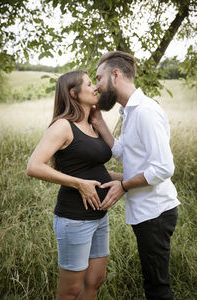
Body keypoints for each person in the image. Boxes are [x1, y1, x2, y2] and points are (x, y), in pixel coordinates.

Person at [90, 51, 181, 300]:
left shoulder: (145, 112)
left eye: (99, 78)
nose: (96, 86)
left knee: (157, 288)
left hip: (155, 213)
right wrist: (99, 123)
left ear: (116, 74)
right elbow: (125, 154)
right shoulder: (129, 111)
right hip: (147, 212)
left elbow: (163, 167)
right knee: (152, 282)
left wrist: (124, 185)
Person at [26, 70, 113, 300]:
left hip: (99, 217)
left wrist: (127, 178)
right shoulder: (63, 126)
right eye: (88, 84)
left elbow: (93, 169)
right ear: (73, 94)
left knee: (95, 281)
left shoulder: (92, 125)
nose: (95, 87)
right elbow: (34, 166)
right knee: (70, 290)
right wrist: (79, 184)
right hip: (74, 219)